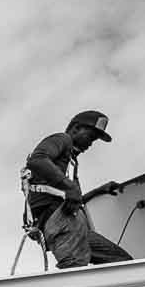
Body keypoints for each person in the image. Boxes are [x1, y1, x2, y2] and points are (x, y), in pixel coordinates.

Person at [23, 109, 132, 269]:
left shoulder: (70, 162)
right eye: (90, 137)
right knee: (75, 268)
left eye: (94, 140)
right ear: (75, 129)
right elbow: (37, 160)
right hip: (58, 220)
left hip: (69, 221)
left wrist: (99, 190)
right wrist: (70, 186)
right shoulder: (63, 139)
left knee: (120, 261)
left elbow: (73, 199)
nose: (90, 143)